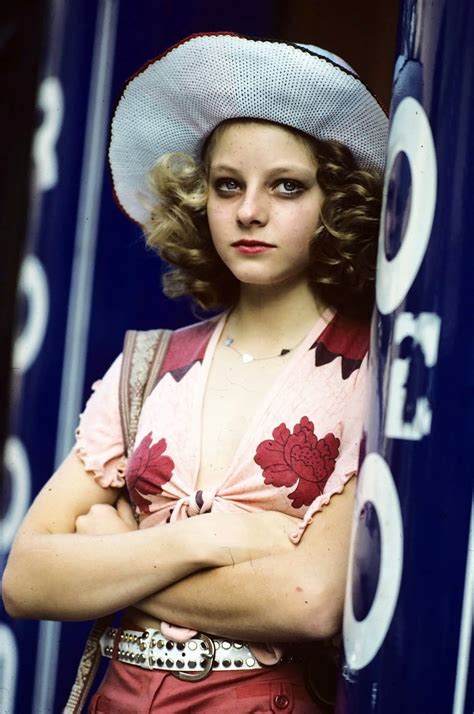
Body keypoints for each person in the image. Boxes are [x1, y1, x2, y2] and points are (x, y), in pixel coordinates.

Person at [3, 33, 387, 713]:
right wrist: (206, 538)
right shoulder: (149, 365)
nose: (249, 212)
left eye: (287, 186)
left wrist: (122, 555)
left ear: (337, 201)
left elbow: (309, 601)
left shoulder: (369, 373)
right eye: (227, 185)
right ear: (200, 198)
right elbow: (28, 578)